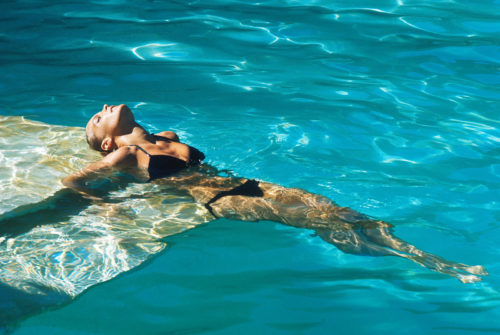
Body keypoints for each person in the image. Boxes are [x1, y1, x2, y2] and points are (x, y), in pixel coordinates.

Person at [62, 104, 487, 283]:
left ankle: (406, 248)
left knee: (339, 210)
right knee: (320, 221)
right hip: (221, 199)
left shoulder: (166, 135)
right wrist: (105, 207)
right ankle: (432, 265)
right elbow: (74, 181)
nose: (105, 108)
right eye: (99, 118)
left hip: (252, 183)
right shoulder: (123, 157)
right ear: (105, 142)